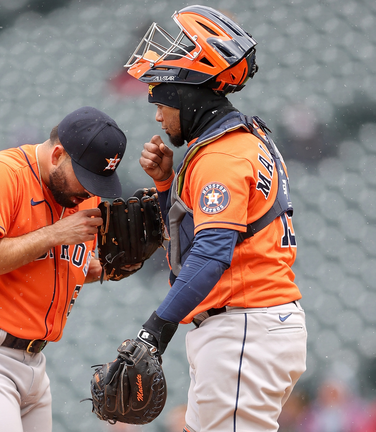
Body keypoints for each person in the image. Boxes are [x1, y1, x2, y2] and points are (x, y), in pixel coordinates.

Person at [121, 6, 307, 431]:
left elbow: (208, 255)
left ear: (187, 96)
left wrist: (154, 331)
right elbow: (196, 236)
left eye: (160, 97)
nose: (156, 113)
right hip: (250, 326)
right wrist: (167, 182)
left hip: (243, 326)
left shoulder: (221, 156)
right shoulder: (237, 141)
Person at [0, 106, 128, 432]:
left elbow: (59, 265)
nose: (91, 191)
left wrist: (104, 268)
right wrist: (56, 235)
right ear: (58, 154)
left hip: (34, 364)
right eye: (87, 177)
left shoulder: (80, 196)